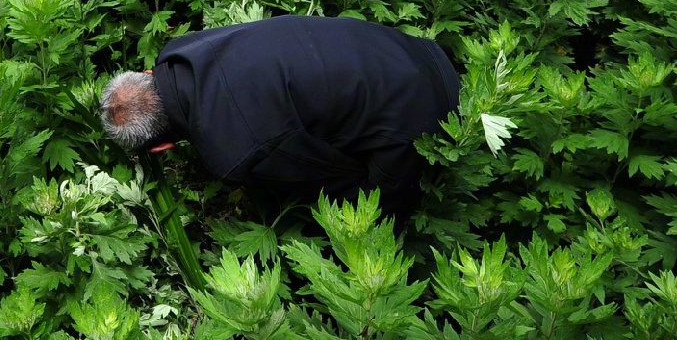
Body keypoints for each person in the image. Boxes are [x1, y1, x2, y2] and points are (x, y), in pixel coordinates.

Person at [99, 14, 462, 222]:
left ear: (163, 146)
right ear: (145, 72)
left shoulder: (233, 149)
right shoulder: (181, 51)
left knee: (364, 218)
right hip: (409, 47)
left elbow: (334, 177)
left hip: (432, 109)